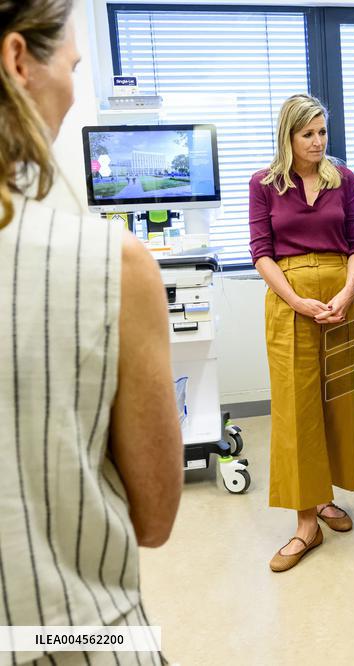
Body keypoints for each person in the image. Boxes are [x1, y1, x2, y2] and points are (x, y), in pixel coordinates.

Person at [0, 1, 183, 663]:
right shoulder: (110, 264)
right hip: (77, 633)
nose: (73, 91)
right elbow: (155, 518)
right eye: (73, 65)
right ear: (18, 60)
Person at [249, 94, 354, 572]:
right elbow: (261, 252)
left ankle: (324, 496)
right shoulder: (264, 184)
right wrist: (295, 299)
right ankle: (305, 523)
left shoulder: (346, 180)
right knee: (297, 407)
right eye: (308, 134)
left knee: (337, 402)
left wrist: (346, 290)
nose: (318, 142)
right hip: (290, 303)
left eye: (322, 132)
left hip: (342, 300)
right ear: (289, 137)